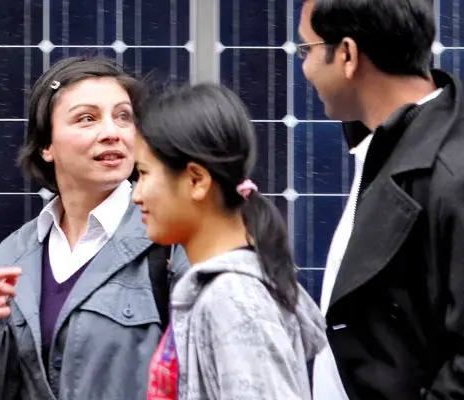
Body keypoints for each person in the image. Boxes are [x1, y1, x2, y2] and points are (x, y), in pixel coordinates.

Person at [0, 56, 189, 400]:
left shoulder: (173, 239)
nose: (112, 132)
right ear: (46, 146)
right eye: (87, 118)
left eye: (123, 116)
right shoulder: (16, 256)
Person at [299, 0, 464, 398]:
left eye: (306, 49)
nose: (304, 67)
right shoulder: (385, 147)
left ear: (347, 54)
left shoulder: (460, 177)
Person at [132, 82, 327, 399]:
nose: (136, 195)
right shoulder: (225, 290)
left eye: (143, 173)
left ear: (196, 180)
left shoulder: (232, 298)